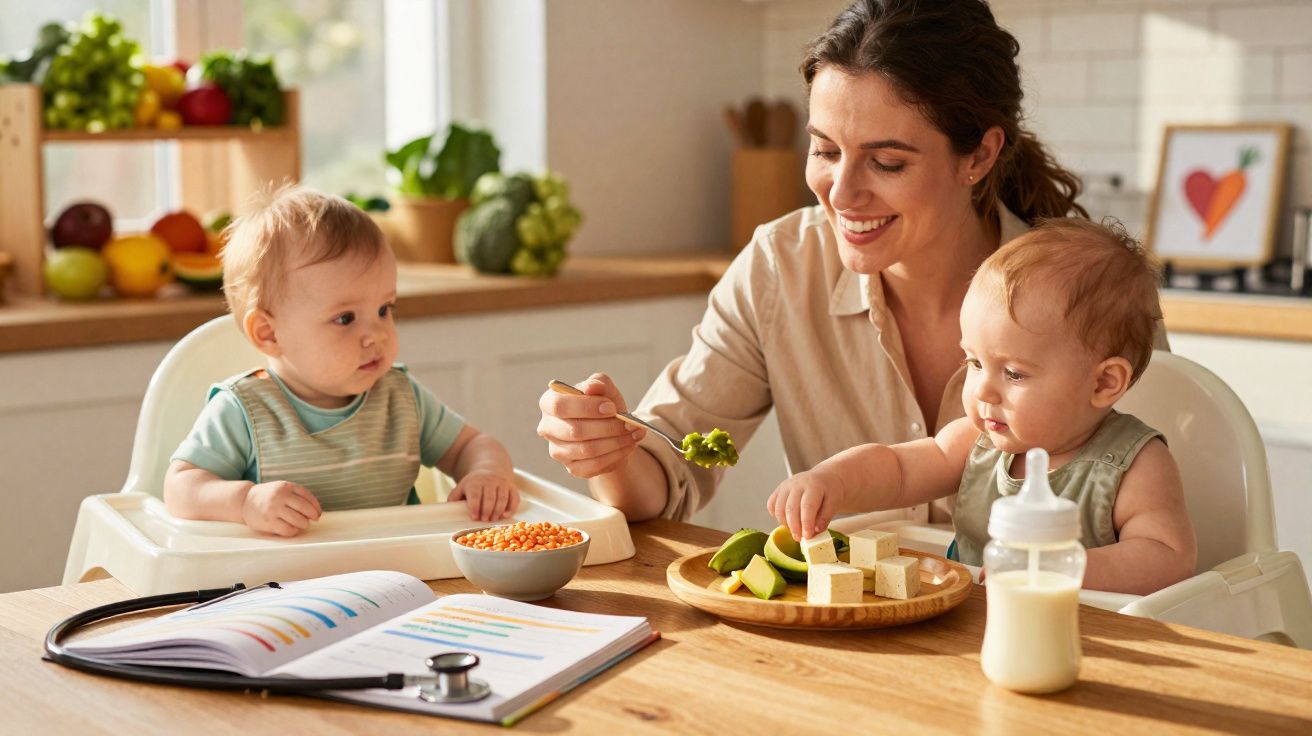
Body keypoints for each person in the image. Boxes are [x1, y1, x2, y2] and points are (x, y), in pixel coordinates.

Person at [539, 0, 1163, 523]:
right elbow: (667, 472)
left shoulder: (1093, 296)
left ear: (978, 155)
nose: (841, 192)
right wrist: (609, 453)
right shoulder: (780, 268)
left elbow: (1158, 514)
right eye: (824, 150)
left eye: (887, 162)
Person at [766, 219, 1196, 595]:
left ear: (1103, 382)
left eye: (1013, 374)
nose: (982, 391)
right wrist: (833, 481)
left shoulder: (1133, 465)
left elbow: (1166, 557)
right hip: (971, 628)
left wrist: (1057, 570)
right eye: (974, 362)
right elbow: (897, 470)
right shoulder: (978, 441)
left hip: (1085, 637)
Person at [164, 187, 519, 537]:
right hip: (287, 580)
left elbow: (472, 445)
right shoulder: (243, 410)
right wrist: (245, 502)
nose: (376, 334)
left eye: (384, 309)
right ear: (269, 334)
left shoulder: (400, 397)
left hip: (400, 575)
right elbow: (181, 489)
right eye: (345, 318)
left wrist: (486, 474)